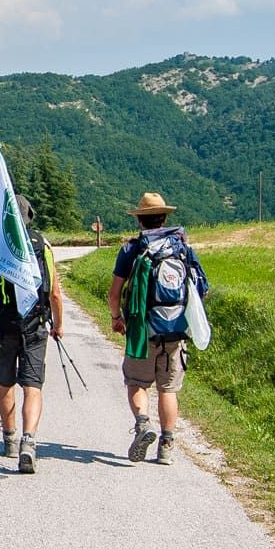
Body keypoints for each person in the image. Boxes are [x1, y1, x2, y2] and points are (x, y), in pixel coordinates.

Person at [108, 192, 208, 465]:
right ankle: (166, 445)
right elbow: (201, 290)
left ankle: (142, 424)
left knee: (136, 382)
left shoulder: (133, 249)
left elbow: (114, 293)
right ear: (164, 218)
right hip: (176, 329)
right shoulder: (183, 248)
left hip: (142, 330)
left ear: (140, 220)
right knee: (168, 389)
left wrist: (117, 318)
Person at [0, 197, 64, 474]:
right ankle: (29, 442)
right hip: (35, 325)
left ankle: (9, 438)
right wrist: (58, 324)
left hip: (1, 327)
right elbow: (55, 292)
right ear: (28, 217)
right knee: (33, 386)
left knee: (5, 382)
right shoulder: (42, 245)